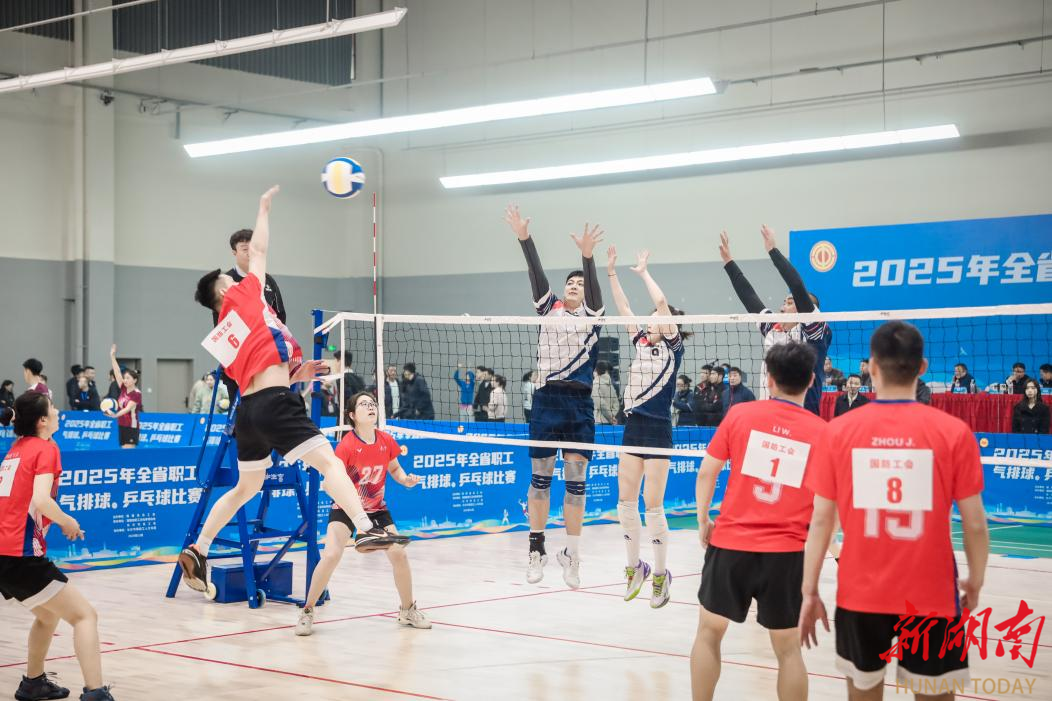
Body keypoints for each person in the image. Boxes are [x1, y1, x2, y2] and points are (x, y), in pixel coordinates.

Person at [185, 185, 406, 597]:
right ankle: (365, 528)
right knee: (330, 464)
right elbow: (260, 251)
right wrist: (263, 208)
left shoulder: (224, 335)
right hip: (275, 404)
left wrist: (297, 372)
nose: (236, 277)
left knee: (246, 487)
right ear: (224, 291)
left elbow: (256, 372)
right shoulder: (244, 293)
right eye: (228, 278)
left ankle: (199, 548)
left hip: (249, 411)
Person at [798, 321, 990, 699]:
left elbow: (821, 520)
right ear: (922, 368)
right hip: (932, 593)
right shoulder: (953, 432)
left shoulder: (838, 431)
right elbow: (975, 525)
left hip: (860, 593)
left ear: (871, 366)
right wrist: (976, 580)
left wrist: (809, 590)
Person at [692, 342, 827, 701]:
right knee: (789, 650)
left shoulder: (740, 415)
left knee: (708, 633)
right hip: (786, 553)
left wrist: (703, 519)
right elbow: (827, 504)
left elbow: (707, 472)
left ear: (769, 379)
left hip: (731, 544)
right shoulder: (821, 431)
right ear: (811, 380)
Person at [505, 204, 604, 588]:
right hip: (546, 401)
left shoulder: (594, 315)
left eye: (580, 283)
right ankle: (537, 548)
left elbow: (593, 286)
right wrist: (524, 238)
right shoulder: (549, 309)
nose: (574, 285)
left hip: (579, 404)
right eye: (571, 282)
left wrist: (587, 257)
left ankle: (572, 555)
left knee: (576, 481)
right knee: (541, 478)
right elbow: (537, 274)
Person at [0, 393, 116, 701]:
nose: (57, 411)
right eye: (52, 408)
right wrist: (68, 522)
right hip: (21, 556)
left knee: (48, 615)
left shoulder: (16, 449)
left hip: (4, 555)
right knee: (85, 616)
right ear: (42, 420)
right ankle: (95, 692)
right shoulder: (45, 448)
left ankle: (33, 683)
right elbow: (40, 499)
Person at [297, 392, 430, 635]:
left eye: (373, 404)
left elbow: (394, 468)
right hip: (346, 507)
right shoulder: (347, 445)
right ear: (352, 415)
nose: (371, 407)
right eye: (364, 404)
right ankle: (307, 611)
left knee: (399, 554)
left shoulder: (385, 440)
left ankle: (407, 611)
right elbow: (333, 481)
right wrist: (358, 521)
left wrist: (405, 480)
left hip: (377, 509)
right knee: (331, 555)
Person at [607, 246, 687, 609]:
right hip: (633, 427)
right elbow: (623, 307)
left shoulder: (673, 348)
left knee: (652, 507)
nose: (650, 320)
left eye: (655, 318)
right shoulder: (639, 341)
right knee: (625, 503)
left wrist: (643, 273)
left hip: (658, 431)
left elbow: (662, 302)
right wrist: (612, 272)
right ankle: (633, 568)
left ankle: (660, 575)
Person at [719, 227, 831, 415]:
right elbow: (749, 296)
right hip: (768, 413)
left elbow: (796, 286)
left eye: (790, 302)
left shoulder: (814, 332)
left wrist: (772, 250)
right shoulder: (773, 328)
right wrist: (729, 262)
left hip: (802, 414)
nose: (782, 307)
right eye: (784, 302)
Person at [102, 346, 142, 449]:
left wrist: (115, 415)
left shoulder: (136, 393)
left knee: (128, 451)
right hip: (122, 425)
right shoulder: (123, 388)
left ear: (135, 380)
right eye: (124, 378)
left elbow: (127, 409)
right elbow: (117, 372)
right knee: (124, 451)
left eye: (128, 378)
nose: (125, 380)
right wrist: (112, 357)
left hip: (131, 426)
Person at [592, 361, 620, 425]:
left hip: (598, 421)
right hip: (611, 421)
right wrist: (611, 416)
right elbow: (616, 404)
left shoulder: (595, 384)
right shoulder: (611, 385)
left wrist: (610, 417)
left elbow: (600, 404)